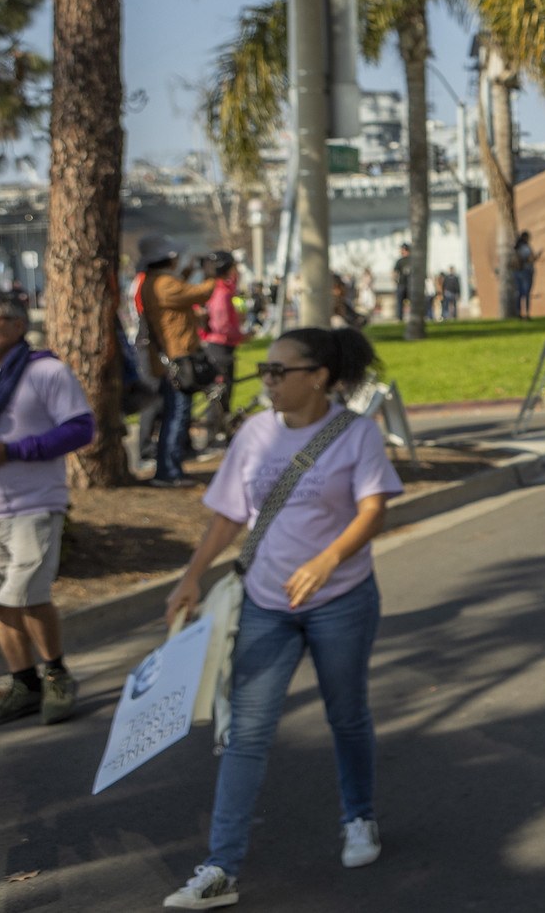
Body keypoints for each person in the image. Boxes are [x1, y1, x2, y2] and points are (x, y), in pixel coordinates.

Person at [161, 326, 403, 909]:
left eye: (277, 371)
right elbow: (226, 517)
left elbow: (373, 511)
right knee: (245, 734)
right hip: (267, 605)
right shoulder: (253, 434)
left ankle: (359, 817)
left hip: (340, 599)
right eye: (264, 370)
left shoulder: (355, 434)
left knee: (346, 715)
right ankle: (220, 866)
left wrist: (328, 559)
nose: (265, 380)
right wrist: (191, 576)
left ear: (317, 376)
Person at [0, 294, 94, 727]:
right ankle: (24, 684)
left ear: (18, 325)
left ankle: (56, 672)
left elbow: (80, 428)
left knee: (26, 594)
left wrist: (14, 450)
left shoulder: (45, 371)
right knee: (3, 601)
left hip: (35, 503)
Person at [135, 233, 215, 488]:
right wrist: (213, 274)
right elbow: (199, 294)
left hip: (171, 358)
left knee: (175, 414)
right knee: (177, 416)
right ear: (168, 259)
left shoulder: (156, 281)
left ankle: (170, 469)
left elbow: (181, 288)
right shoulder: (163, 284)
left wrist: (191, 270)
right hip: (177, 359)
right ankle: (168, 472)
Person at [198, 250, 245, 451]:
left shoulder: (217, 288)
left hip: (218, 346)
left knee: (221, 394)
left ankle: (220, 433)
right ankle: (215, 435)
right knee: (219, 395)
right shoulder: (221, 292)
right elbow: (222, 325)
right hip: (220, 347)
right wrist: (243, 335)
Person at [513, 231, 538, 319]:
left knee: (519, 293)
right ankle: (527, 313)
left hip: (517, 272)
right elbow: (531, 259)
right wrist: (536, 257)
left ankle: (518, 312)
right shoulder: (526, 248)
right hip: (526, 272)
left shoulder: (517, 248)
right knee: (526, 293)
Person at [391, 244, 413, 323]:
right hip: (407, 284)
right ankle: (404, 317)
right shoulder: (412, 260)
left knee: (401, 302)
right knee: (409, 302)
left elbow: (394, 273)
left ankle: (400, 318)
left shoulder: (401, 261)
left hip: (404, 284)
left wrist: (395, 281)